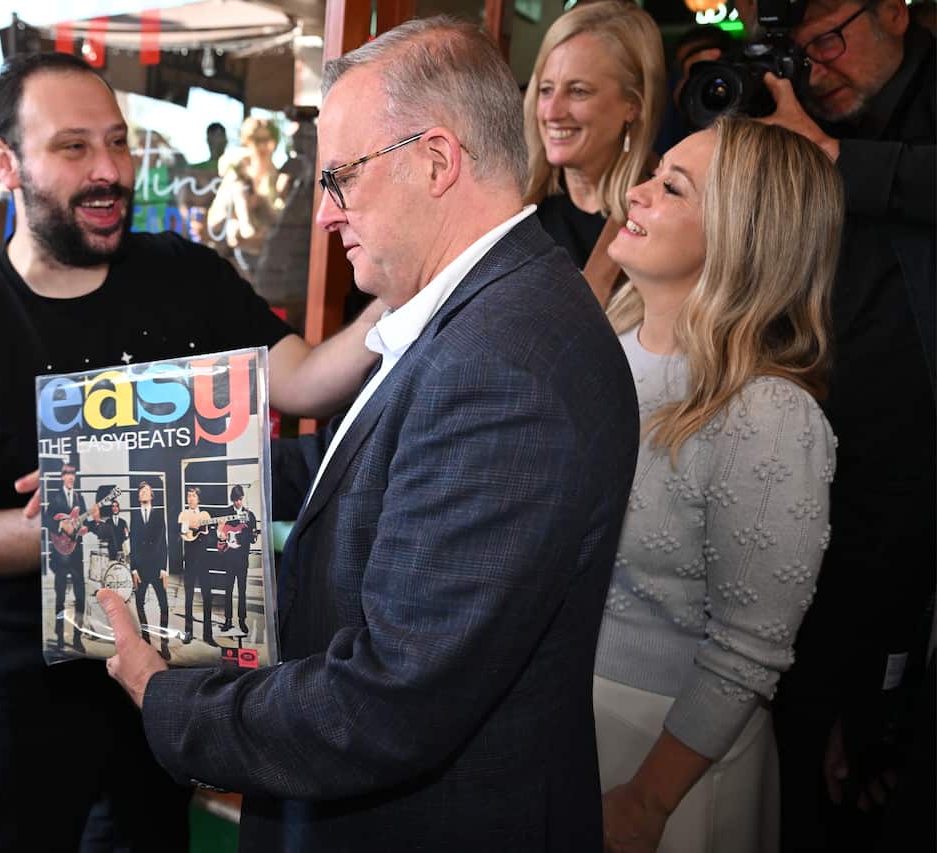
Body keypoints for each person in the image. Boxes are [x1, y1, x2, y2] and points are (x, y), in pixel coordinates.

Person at [98, 17, 640, 851]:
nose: (323, 215)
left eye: (339, 179)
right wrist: (139, 468)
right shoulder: (487, 310)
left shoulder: (504, 367)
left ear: (435, 160)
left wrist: (166, 696)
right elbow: (360, 465)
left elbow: (388, 701)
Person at [0, 50, 383, 853]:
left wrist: (404, 295)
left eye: (117, 143)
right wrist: (78, 517)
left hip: (168, 666)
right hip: (24, 690)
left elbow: (301, 382)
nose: (109, 170)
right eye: (74, 147)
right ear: (5, 163)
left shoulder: (184, 274)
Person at [593, 117, 840, 853]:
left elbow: (749, 645)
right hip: (558, 717)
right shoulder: (602, 350)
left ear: (742, 235)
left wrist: (647, 798)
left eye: (671, 186)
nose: (633, 192)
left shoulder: (769, 412)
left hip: (669, 763)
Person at [757, 3, 935, 850]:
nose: (816, 67)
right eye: (798, 51)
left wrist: (833, 158)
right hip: (805, 437)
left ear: (893, 11)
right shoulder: (794, 99)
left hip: (907, 448)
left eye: (830, 38)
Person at [522, 0, 665, 303]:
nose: (552, 111)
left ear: (634, 105)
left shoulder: (663, 220)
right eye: (546, 90)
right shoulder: (515, 209)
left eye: (578, 91)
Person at [206, 117, 288, 277]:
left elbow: (276, 220)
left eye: (270, 140)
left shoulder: (275, 174)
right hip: (228, 243)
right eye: (259, 140)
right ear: (248, 142)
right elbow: (216, 224)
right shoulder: (238, 164)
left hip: (260, 251)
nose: (266, 146)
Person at [46, 462, 87, 653]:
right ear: (62, 476)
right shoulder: (55, 497)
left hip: (76, 555)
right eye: (67, 474)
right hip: (60, 556)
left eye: (73, 474)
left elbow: (82, 527)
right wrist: (61, 526)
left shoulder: (80, 498)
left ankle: (78, 638)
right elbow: (46, 519)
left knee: (81, 597)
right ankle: (61, 638)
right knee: (60, 597)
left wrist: (90, 525)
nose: (70, 477)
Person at [128, 481, 169, 659]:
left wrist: (163, 568)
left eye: (146, 490)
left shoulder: (159, 514)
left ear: (152, 495)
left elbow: (163, 542)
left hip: (157, 567)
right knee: (139, 603)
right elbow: (133, 544)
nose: (143, 493)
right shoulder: (135, 516)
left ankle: (164, 643)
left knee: (164, 605)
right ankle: (146, 641)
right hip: (141, 568)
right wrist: (134, 569)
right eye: (141, 490)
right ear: (138, 496)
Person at [216, 484, 257, 637]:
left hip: (242, 558)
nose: (238, 502)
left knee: (242, 590)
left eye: (240, 499)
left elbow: (252, 538)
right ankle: (228, 620)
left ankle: (242, 620)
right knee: (228, 590)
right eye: (235, 499)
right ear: (232, 499)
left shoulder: (249, 515)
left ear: (242, 498)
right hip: (228, 557)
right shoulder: (225, 513)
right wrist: (221, 533)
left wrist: (240, 536)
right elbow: (219, 533)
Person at [177, 486, 213, 645]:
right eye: (188, 495)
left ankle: (208, 634)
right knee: (189, 597)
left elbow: (210, 539)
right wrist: (192, 526)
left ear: (199, 499)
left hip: (204, 560)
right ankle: (188, 632)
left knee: (207, 596)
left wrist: (206, 531)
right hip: (190, 560)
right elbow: (182, 532)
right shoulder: (183, 514)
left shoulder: (205, 515)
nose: (190, 498)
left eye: (193, 496)